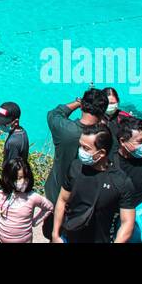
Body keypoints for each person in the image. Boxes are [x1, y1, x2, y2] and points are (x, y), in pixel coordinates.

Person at [42, 88, 110, 238]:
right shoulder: (104, 137)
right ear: (103, 111)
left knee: (55, 235)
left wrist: (77, 103)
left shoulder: (64, 129)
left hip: (56, 193)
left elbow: (54, 113)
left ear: (83, 105)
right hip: (85, 201)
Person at [52, 124, 137, 244]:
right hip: (68, 237)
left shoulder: (121, 181)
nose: (80, 151)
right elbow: (62, 199)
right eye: (80, 146)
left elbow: (127, 222)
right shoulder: (75, 167)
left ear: (101, 153)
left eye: (85, 148)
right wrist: (55, 234)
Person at [0, 156, 53, 243]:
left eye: (25, 178)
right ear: (9, 178)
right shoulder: (0, 196)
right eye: (19, 178)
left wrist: (34, 221)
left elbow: (49, 207)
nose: (23, 181)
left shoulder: (32, 197)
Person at [0, 101, 29, 168]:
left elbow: (12, 168)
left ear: (16, 122)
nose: (0, 125)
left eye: (4, 123)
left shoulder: (13, 142)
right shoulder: (22, 132)